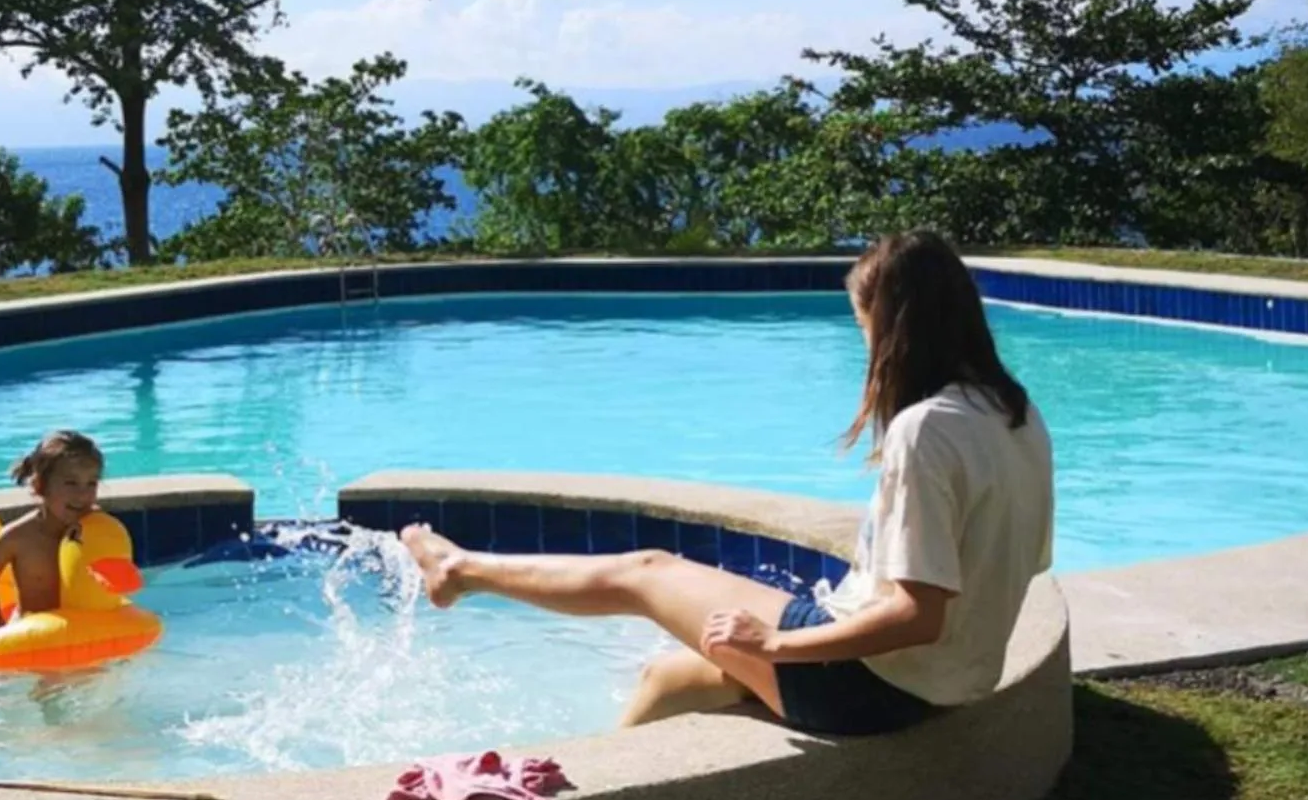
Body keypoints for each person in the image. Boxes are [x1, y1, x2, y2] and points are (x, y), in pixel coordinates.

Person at [400, 232, 1054, 735]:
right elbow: (1013, 572)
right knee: (673, 677)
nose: (867, 350)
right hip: (947, 683)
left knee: (647, 572)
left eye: (865, 330)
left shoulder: (925, 431)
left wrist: (777, 644)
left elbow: (918, 615)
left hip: (872, 689)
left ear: (895, 331)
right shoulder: (1016, 415)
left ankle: (459, 571)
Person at [0, 429, 107, 633]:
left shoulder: (96, 529)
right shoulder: (17, 537)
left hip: (81, 634)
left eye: (91, 483)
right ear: (41, 486)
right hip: (32, 636)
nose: (82, 494)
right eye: (71, 483)